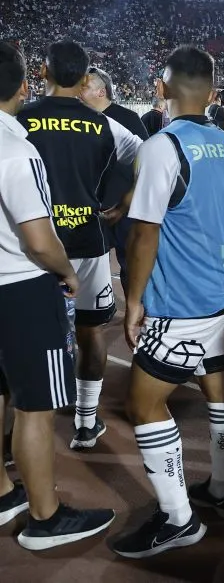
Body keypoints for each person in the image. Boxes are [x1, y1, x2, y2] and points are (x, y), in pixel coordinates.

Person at [111, 46, 224, 558]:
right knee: (218, 382)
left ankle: (178, 519)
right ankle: (222, 489)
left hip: (184, 300)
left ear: (161, 89)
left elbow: (144, 235)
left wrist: (133, 301)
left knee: (144, 401)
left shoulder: (162, 147)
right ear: (214, 94)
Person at [0, 41, 116, 550]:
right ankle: (45, 519)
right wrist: (66, 272)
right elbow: (38, 238)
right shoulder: (15, 148)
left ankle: (4, 491)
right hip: (22, 288)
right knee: (36, 407)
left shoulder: (26, 128)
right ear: (24, 83)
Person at [16, 40, 143, 452]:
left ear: (42, 73)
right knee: (91, 333)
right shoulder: (104, 125)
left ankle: (18, 435)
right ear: (86, 79)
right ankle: (86, 423)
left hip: (30, 247)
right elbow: (153, 160)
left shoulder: (19, 119)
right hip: (87, 242)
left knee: (25, 336)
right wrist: (126, 201)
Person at [79, 65, 151, 296]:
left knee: (130, 264)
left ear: (101, 92)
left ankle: (137, 310)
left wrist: (125, 204)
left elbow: (147, 162)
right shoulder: (78, 119)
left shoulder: (127, 118)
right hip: (91, 208)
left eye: (85, 86)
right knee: (87, 264)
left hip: (124, 209)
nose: (79, 90)